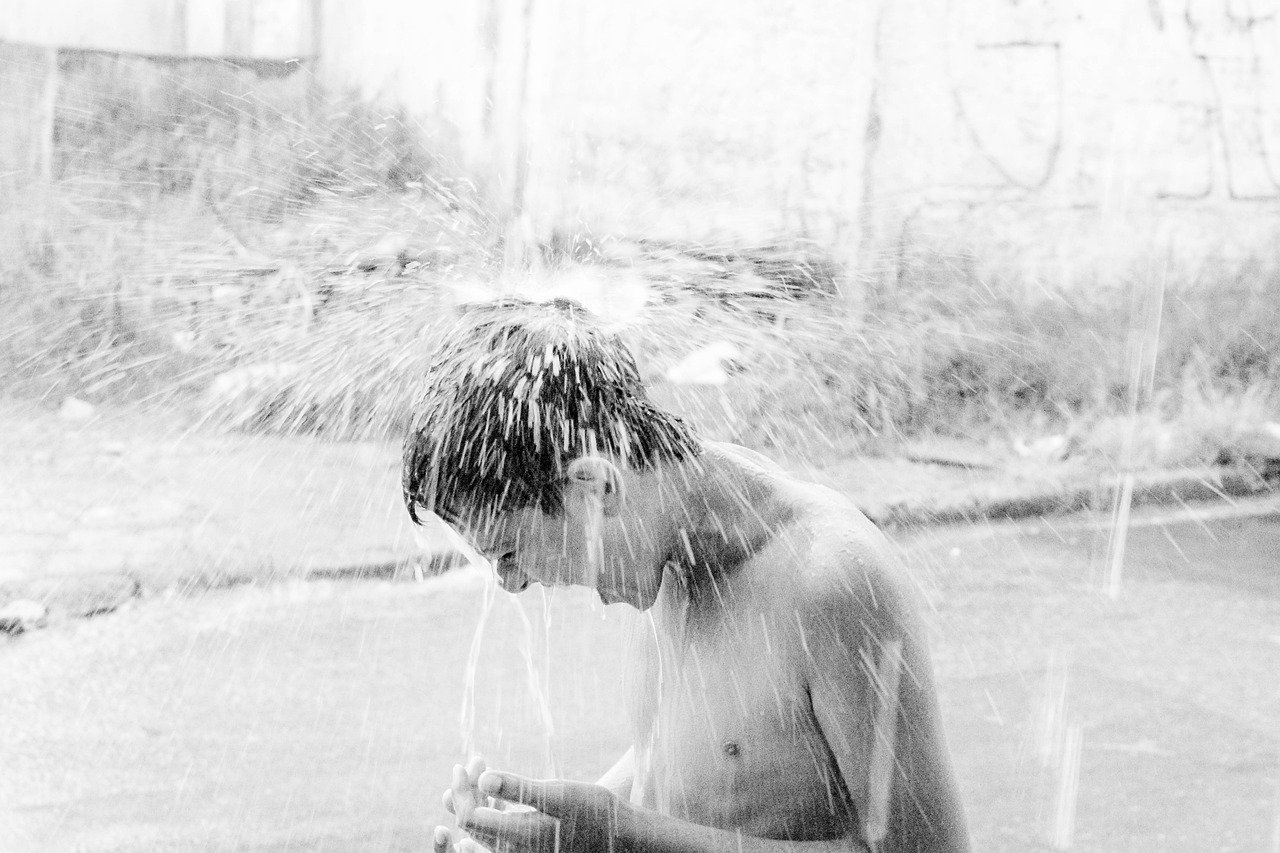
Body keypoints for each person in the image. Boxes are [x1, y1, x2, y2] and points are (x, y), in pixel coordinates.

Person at [403, 298, 971, 853]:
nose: (510, 583)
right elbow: (693, 762)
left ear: (596, 487)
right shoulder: (664, 555)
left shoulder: (832, 581)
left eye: (508, 552)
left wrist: (622, 838)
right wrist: (548, 839)